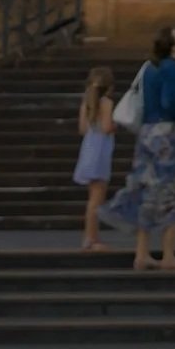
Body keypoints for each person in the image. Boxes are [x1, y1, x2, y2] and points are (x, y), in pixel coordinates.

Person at [110, 22, 175, 273]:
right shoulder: (172, 68)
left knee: (145, 190)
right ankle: (168, 255)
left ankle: (142, 253)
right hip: (167, 134)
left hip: (146, 132)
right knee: (169, 192)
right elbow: (171, 102)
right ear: (173, 44)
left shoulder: (149, 68)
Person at [73, 62, 120, 255]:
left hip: (89, 148)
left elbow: (82, 129)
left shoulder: (87, 104)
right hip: (100, 150)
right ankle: (91, 239)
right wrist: (119, 123)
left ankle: (92, 236)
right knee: (97, 198)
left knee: (93, 197)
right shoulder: (107, 103)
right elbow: (108, 127)